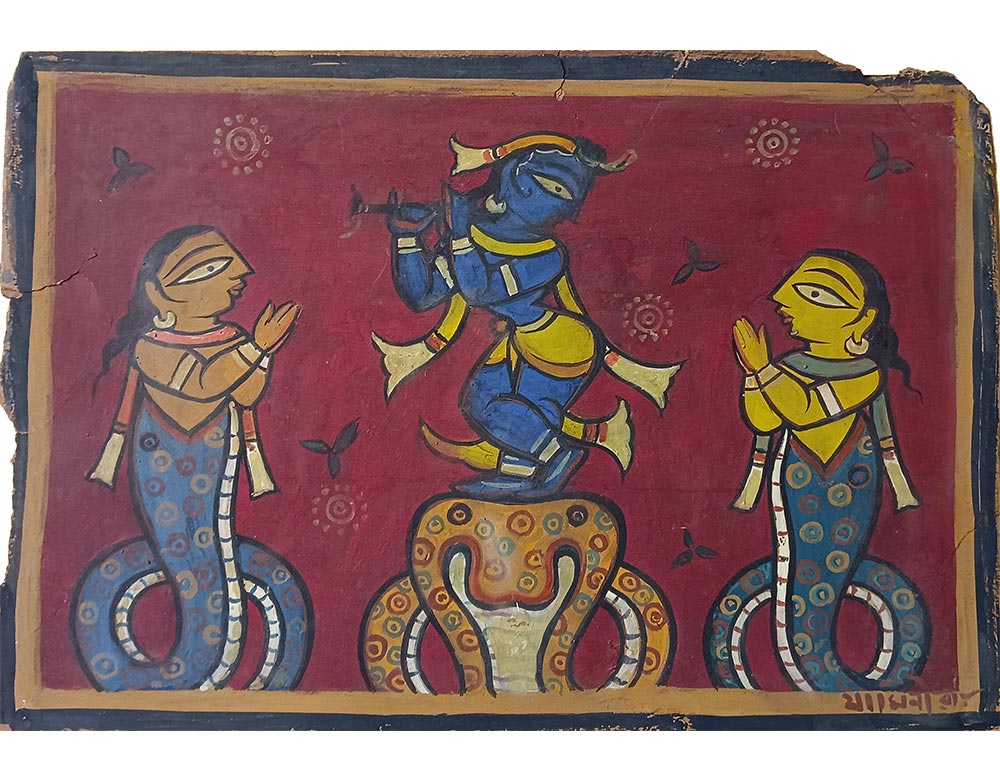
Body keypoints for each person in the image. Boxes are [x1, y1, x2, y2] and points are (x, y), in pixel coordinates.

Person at [372, 133, 680, 500]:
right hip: (522, 341)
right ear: (510, 177)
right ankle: (520, 475)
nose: (558, 203)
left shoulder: (546, 254)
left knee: (494, 407)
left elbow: (481, 291)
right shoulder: (473, 236)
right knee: (489, 403)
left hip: (562, 344)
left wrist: (460, 236)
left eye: (565, 194)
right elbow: (423, 295)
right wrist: (407, 239)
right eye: (550, 185)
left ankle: (558, 456)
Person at [72, 225, 312, 691]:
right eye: (211, 268)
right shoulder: (150, 347)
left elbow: (247, 392)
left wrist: (258, 354)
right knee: (190, 555)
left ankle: (208, 665)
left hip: (215, 459)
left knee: (214, 549)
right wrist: (256, 348)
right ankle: (190, 667)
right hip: (164, 464)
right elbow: (200, 384)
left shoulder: (232, 338)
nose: (236, 277)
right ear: (159, 292)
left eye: (230, 267)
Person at [706, 249, 929, 692]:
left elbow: (806, 410)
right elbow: (764, 420)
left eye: (816, 295)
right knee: (798, 572)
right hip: (797, 477)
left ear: (862, 320)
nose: (787, 305)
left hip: (847, 481)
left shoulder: (865, 373)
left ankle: (826, 671)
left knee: (822, 577)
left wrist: (764, 370)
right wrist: (754, 375)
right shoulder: (788, 368)